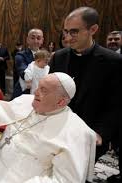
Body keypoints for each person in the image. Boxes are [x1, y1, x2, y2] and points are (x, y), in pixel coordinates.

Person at [0, 71, 96, 183]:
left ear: (61, 102)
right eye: (38, 87)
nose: (36, 92)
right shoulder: (26, 101)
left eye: (44, 90)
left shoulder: (77, 132)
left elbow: (64, 180)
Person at [49, 7, 122, 182]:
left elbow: (116, 105)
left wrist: (101, 133)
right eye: (65, 32)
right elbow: (50, 94)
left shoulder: (113, 61)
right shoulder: (58, 57)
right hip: (57, 131)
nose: (67, 37)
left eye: (74, 32)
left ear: (93, 29)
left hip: (90, 135)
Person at [12, 28, 44, 99]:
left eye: (38, 38)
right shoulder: (20, 55)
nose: (35, 41)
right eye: (32, 38)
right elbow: (25, 74)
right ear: (27, 40)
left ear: (42, 40)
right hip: (23, 94)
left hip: (40, 94)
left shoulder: (46, 56)